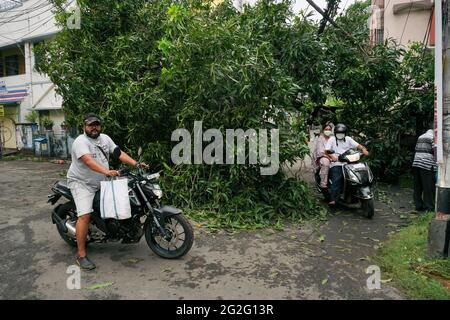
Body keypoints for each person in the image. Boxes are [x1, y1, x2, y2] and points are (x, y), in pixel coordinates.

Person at [67, 113, 148, 270]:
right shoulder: (80, 142)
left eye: (96, 124)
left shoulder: (105, 138)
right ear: (84, 126)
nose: (94, 127)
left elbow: (118, 153)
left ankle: (116, 229)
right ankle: (81, 255)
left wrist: (136, 164)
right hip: (82, 183)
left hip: (101, 180)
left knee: (121, 199)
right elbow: (89, 161)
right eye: (90, 125)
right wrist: (107, 171)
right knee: (84, 215)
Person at [325, 123, 369, 206]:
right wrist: (332, 156)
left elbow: (358, 145)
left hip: (349, 162)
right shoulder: (332, 139)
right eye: (338, 133)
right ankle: (334, 199)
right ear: (335, 133)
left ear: (345, 134)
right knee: (337, 178)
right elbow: (327, 150)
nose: (340, 135)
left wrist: (363, 149)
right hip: (337, 163)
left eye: (342, 133)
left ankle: (358, 193)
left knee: (359, 174)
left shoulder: (348, 139)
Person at [412, 127, 436, 212]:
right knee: (428, 186)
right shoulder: (433, 137)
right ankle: (429, 207)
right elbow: (435, 151)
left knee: (418, 186)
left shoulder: (421, 136)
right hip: (426, 164)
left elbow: (416, 149)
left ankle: (418, 206)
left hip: (416, 163)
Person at [313, 123, 334, 189]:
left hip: (334, 157)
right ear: (323, 130)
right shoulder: (320, 139)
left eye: (329, 129)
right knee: (326, 163)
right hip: (323, 157)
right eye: (326, 129)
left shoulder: (333, 139)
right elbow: (321, 152)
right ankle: (323, 184)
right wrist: (329, 157)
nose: (328, 131)